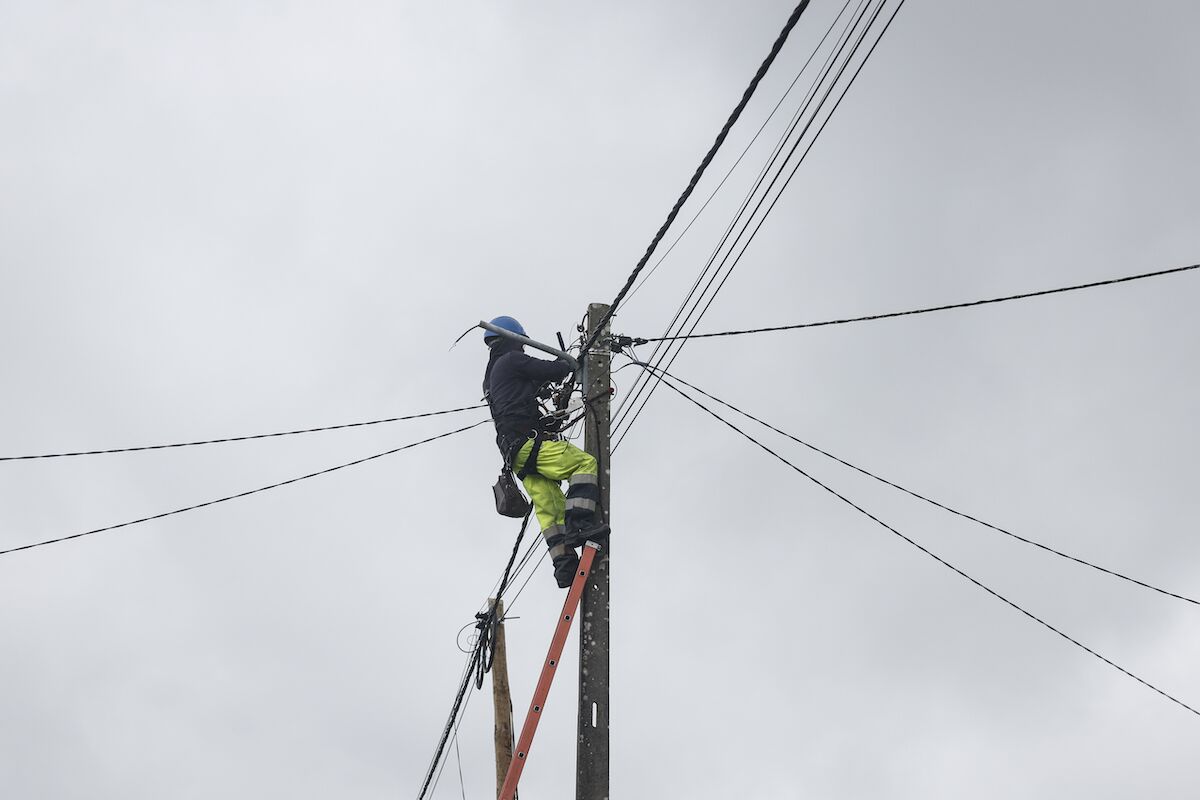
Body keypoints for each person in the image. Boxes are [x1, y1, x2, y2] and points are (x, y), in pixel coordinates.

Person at [482, 316, 606, 588]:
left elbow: (525, 395)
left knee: (550, 510)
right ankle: (580, 526)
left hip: (516, 456)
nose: (525, 350)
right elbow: (554, 370)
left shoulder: (492, 377)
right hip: (528, 444)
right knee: (583, 464)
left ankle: (564, 566)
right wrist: (572, 363)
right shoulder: (511, 361)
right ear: (515, 339)